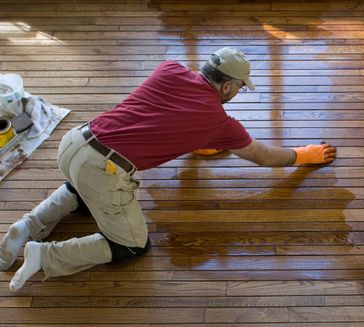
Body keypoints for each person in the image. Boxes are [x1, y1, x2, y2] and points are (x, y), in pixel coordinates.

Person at [0, 47, 336, 292]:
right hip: (103, 169)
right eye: (240, 88)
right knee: (130, 245)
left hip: (75, 142)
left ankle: (27, 225)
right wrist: (304, 155)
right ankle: (43, 255)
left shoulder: (169, 69)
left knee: (83, 190)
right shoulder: (219, 121)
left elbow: (164, 116)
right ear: (228, 87)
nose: (238, 93)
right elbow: (263, 157)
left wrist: (201, 141)